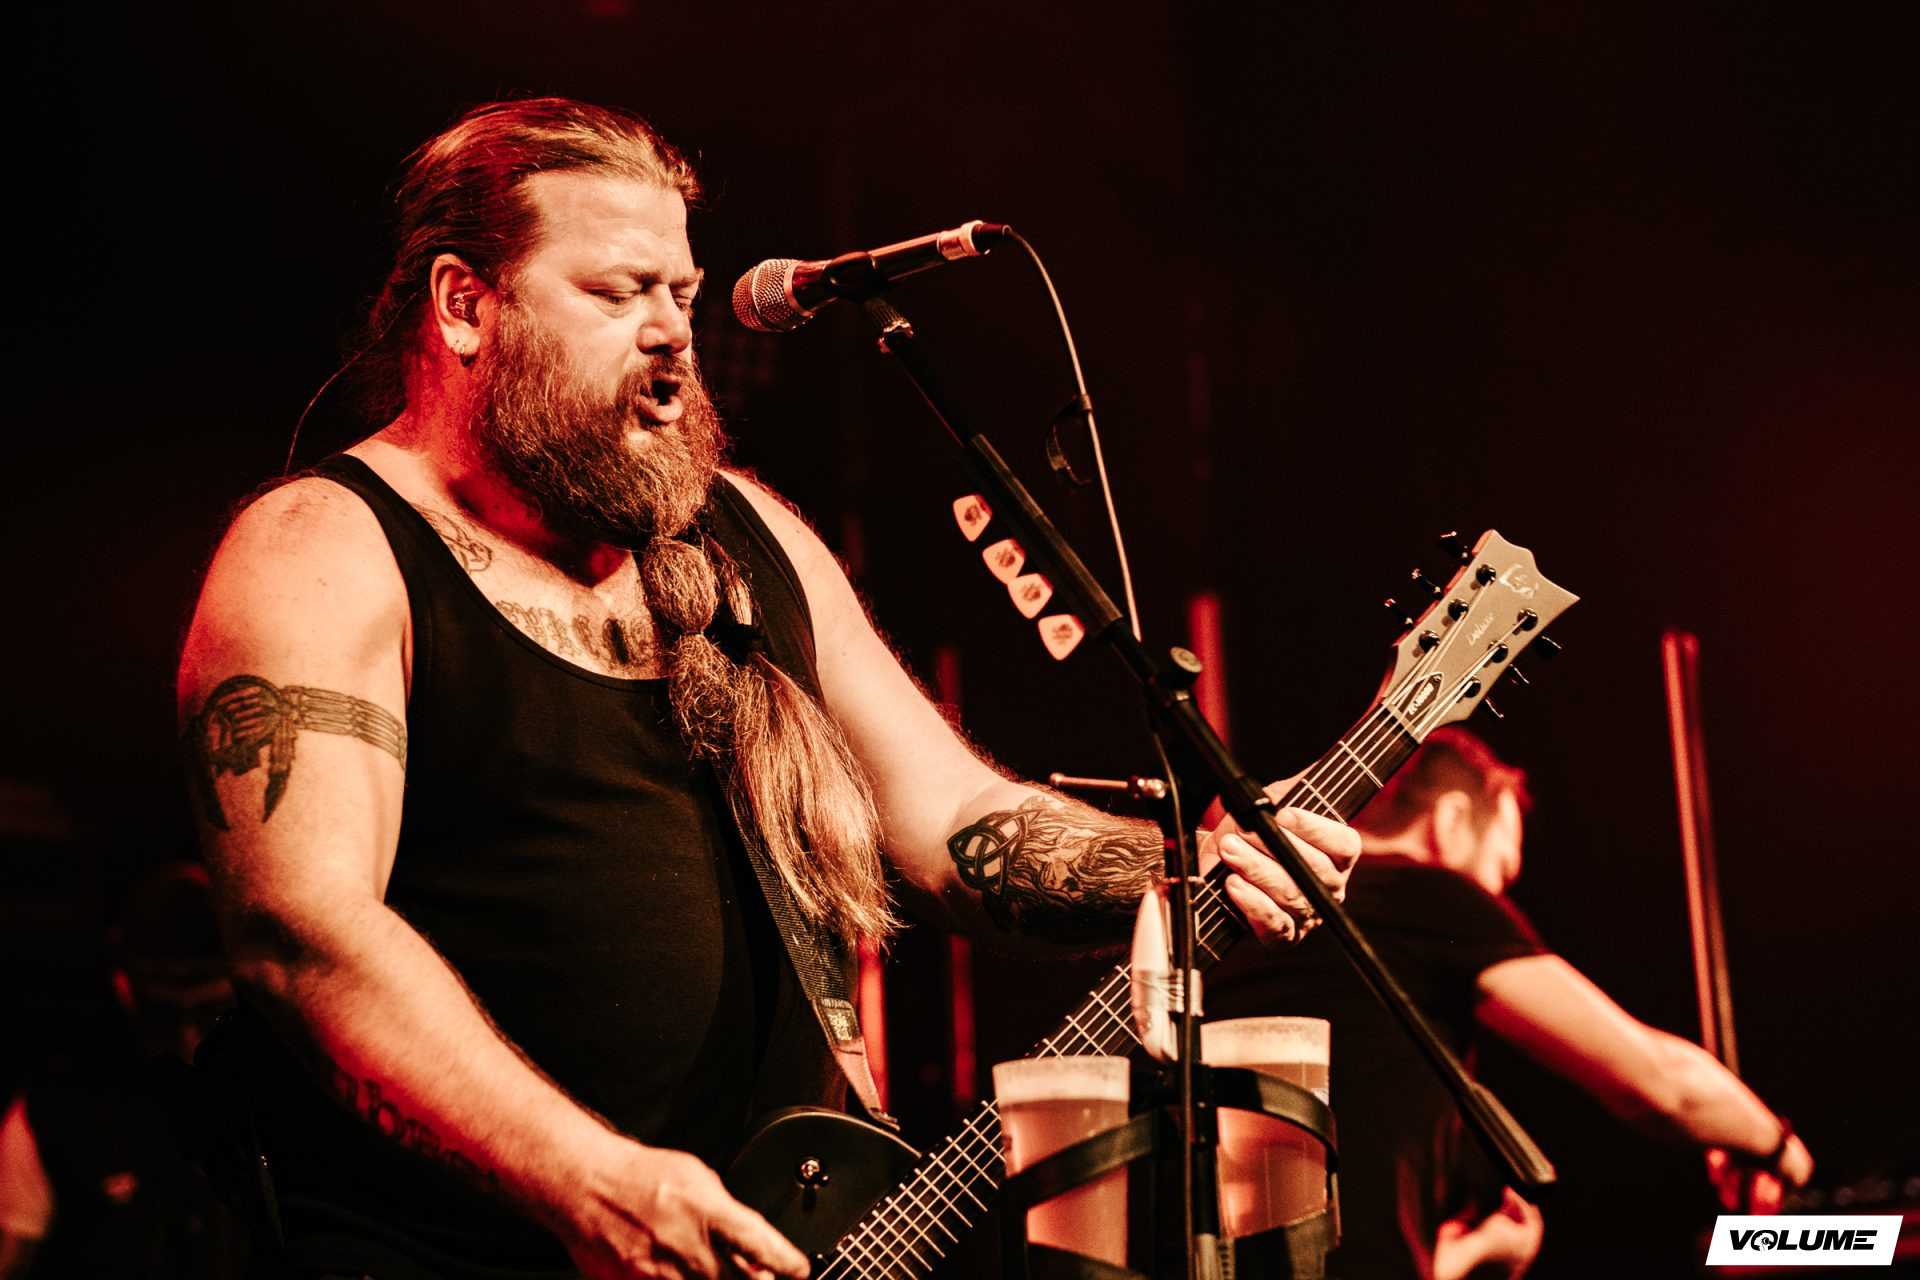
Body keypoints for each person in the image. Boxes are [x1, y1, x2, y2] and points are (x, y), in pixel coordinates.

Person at [173, 97, 1360, 1280]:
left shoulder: (744, 537)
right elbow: (304, 932)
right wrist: (589, 1176)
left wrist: (1179, 864)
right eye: (617, 291)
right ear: (464, 305)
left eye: (680, 293)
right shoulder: (325, 549)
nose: (670, 333)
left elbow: (954, 824)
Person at [1204, 727, 1813, 1280]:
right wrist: (1778, 1148)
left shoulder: (1238, 922)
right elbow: (1661, 1083)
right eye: (1499, 868)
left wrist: (1481, 1252)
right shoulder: (1427, 895)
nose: (1497, 892)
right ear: (1451, 820)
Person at [0, 860, 243, 1279]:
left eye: (211, 1014)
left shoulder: (294, 1104)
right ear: (125, 990)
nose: (188, 1038)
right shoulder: (56, 1107)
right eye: (163, 1015)